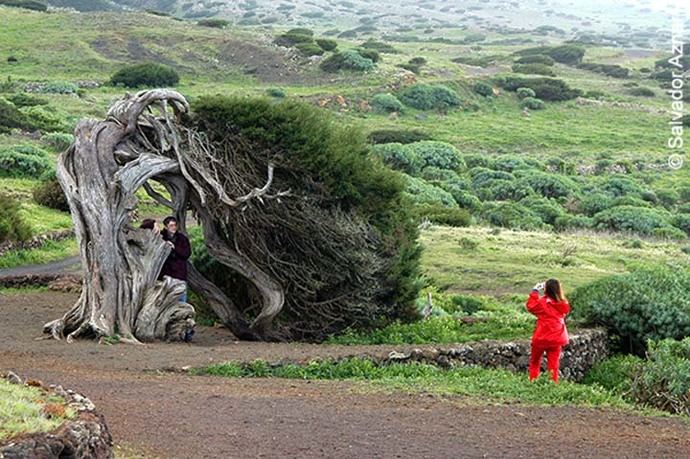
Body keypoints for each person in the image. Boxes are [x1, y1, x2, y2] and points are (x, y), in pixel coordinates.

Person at [526, 278, 570, 383]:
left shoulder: (542, 303)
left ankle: (533, 382)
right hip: (556, 338)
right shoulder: (563, 304)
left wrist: (535, 290)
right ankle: (552, 384)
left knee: (535, 362)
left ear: (546, 289)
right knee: (553, 365)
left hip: (541, 338)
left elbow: (530, 306)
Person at [159, 216, 192, 303]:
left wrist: (174, 247)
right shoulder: (161, 237)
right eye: (171, 226)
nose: (173, 228)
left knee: (181, 299)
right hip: (166, 274)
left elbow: (186, 254)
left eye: (175, 225)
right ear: (166, 227)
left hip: (179, 274)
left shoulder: (182, 238)